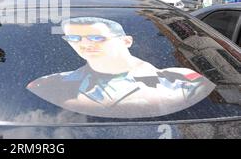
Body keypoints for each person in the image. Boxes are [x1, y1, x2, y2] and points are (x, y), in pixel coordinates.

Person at [27, 17, 215, 118]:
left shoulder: (182, 82)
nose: (84, 44)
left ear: (127, 41)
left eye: (96, 37)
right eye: (74, 38)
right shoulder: (48, 86)